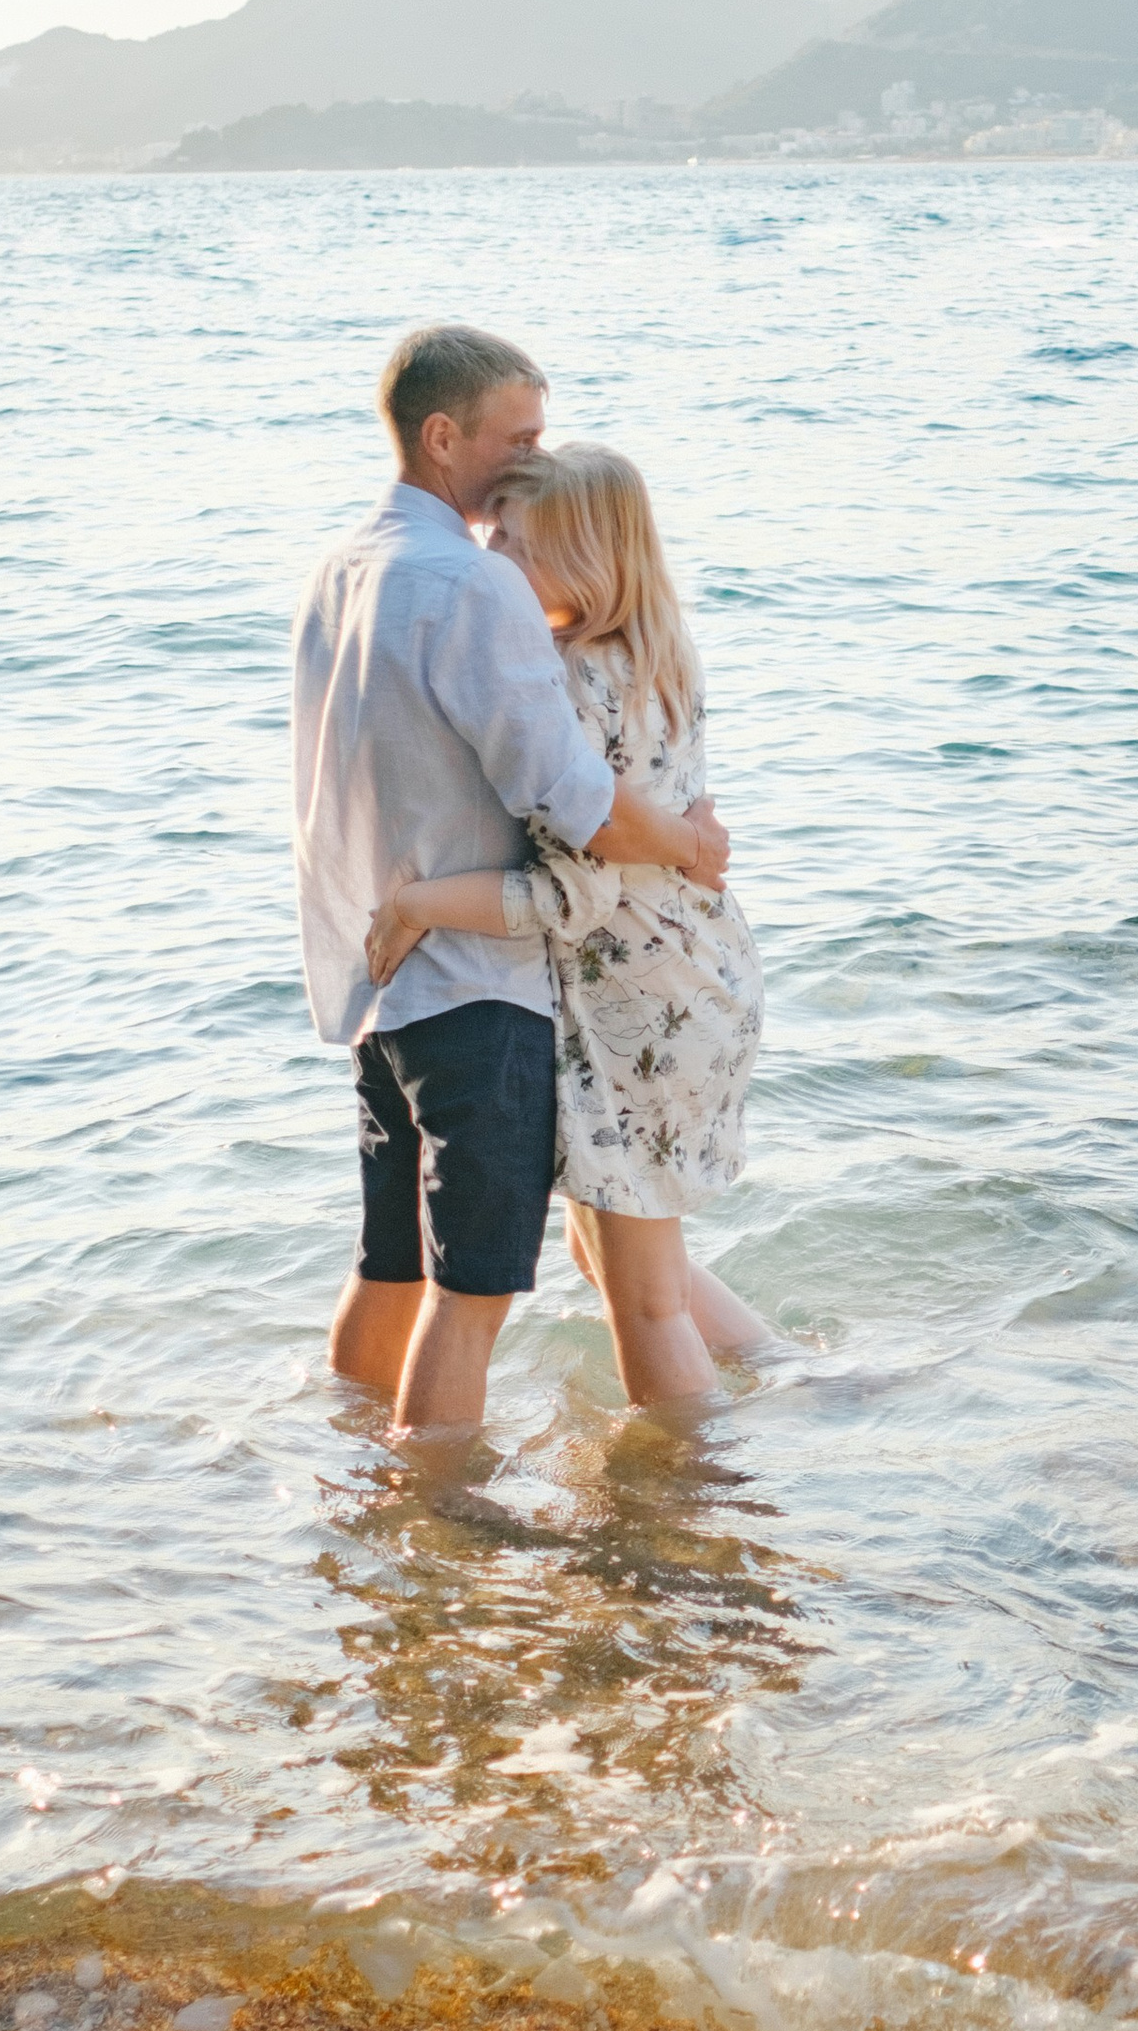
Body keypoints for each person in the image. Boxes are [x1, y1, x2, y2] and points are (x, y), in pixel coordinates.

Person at [291, 328, 730, 1440]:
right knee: (471, 1290)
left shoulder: (343, 567)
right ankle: (439, 1516)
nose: (531, 457)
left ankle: (357, 1495)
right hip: (478, 985)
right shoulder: (472, 582)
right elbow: (572, 797)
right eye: (516, 436)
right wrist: (688, 842)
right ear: (445, 438)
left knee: (388, 1266)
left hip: (376, 978)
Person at [364, 442, 775, 1413]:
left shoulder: (572, 683)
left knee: (644, 1303)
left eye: (511, 537)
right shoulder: (653, 647)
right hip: (698, 975)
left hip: (641, 1005)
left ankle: (696, 1518)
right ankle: (794, 1372)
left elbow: (573, 899)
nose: (488, 551)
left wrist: (422, 902)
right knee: (617, 1264)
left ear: (583, 559)